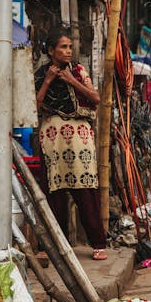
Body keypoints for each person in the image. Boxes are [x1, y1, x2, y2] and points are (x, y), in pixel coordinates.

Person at [34, 28, 108, 261]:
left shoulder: (77, 70)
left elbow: (95, 99)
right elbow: (34, 105)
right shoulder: (40, 73)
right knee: (54, 191)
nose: (67, 51)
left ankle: (97, 243)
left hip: (78, 136)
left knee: (85, 189)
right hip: (52, 137)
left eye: (69, 47)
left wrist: (71, 80)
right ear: (51, 50)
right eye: (62, 47)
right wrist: (48, 81)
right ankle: (60, 243)